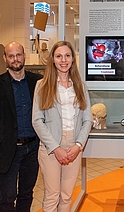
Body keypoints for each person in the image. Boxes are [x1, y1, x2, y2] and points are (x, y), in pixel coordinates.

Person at [32, 41, 93, 211]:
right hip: (51, 146)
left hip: (74, 144)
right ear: (53, 59)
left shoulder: (80, 86)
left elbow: (87, 119)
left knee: (66, 196)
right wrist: (55, 148)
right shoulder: (42, 85)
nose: (63, 60)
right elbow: (37, 121)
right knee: (52, 196)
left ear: (73, 59)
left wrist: (78, 146)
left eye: (67, 56)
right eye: (59, 56)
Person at [0, 41, 43, 212]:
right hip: (8, 150)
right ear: (5, 58)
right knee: (7, 197)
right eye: (11, 56)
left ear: (24, 56)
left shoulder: (37, 82)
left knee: (26, 193)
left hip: (32, 148)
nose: (15, 59)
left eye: (18, 55)